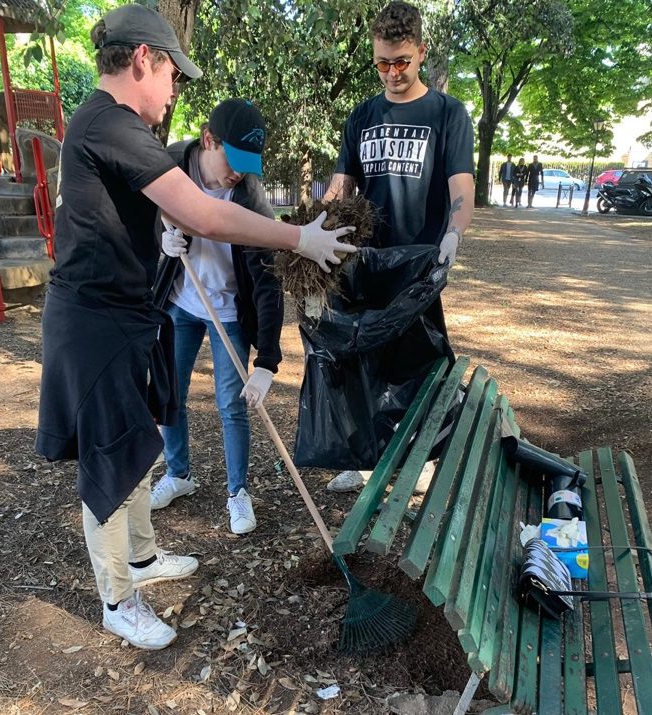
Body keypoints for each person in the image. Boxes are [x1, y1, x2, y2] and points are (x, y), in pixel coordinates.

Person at [35, 4, 356, 651]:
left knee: (134, 447)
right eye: (173, 75)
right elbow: (207, 216)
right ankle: (117, 600)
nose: (175, 90)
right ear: (142, 60)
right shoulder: (113, 124)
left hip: (123, 320)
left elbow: (151, 217)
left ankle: (145, 559)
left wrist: (165, 232)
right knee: (108, 460)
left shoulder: (111, 126)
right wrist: (300, 235)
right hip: (94, 327)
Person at [321, 1, 474, 488]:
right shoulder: (363, 115)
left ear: (421, 52)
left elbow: (462, 189)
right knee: (366, 359)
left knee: (421, 360)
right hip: (367, 263)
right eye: (382, 62)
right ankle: (369, 459)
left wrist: (454, 233)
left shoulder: (447, 114)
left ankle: (424, 461)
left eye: (401, 61)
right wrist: (312, 228)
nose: (391, 73)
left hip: (419, 264)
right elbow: (341, 186)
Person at [150, 99, 282, 536]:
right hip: (181, 302)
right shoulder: (170, 166)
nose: (239, 172)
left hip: (227, 312)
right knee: (170, 392)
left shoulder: (250, 197)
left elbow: (267, 282)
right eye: (234, 160)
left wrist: (266, 362)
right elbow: (143, 214)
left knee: (232, 404)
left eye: (249, 164)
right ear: (209, 140)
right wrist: (162, 241)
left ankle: (238, 492)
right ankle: (178, 473)